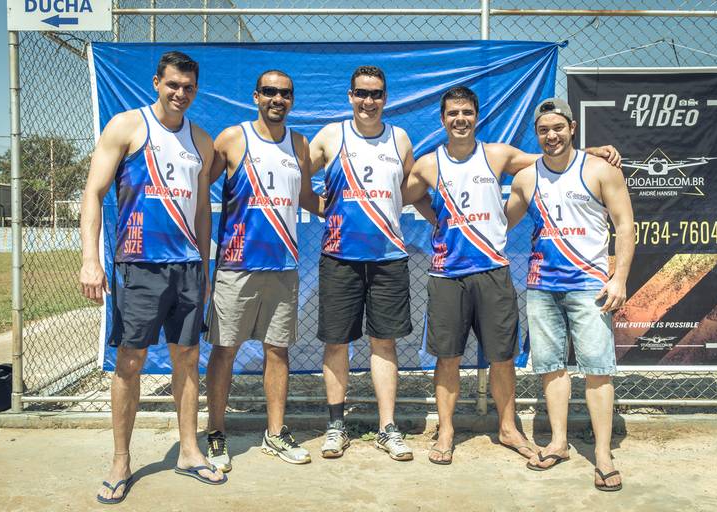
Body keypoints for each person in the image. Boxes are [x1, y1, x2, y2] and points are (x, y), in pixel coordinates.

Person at [401, 87, 620, 465]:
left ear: (476, 116)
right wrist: (435, 217)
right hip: (447, 274)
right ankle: (447, 431)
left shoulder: (497, 154)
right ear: (442, 119)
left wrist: (592, 152)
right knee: (448, 358)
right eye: (453, 113)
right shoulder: (428, 164)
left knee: (502, 357)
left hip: (493, 271)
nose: (460, 119)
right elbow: (407, 195)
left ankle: (507, 428)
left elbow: (550, 156)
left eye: (467, 112)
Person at [80, 51, 226, 505]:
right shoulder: (127, 126)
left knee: (188, 358)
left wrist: (204, 266)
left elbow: (201, 210)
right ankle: (120, 461)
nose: (180, 93)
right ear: (156, 83)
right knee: (129, 363)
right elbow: (93, 193)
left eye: (188, 87)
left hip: (187, 268)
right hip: (138, 265)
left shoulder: (201, 140)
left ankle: (189, 451)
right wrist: (90, 259)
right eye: (173, 85)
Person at [505, 98, 634, 491]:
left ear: (572, 128)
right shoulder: (526, 178)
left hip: (589, 286)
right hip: (542, 285)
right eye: (544, 130)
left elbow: (625, 225)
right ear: (536, 134)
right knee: (551, 367)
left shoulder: (600, 169)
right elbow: (500, 222)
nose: (552, 136)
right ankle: (558, 443)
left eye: (558, 128)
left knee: (597, 369)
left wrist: (619, 279)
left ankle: (603, 455)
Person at [307, 65, 434, 461]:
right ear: (350, 96)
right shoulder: (331, 136)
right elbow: (293, 176)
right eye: (361, 93)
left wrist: (442, 223)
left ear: (385, 97)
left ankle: (387, 427)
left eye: (376, 93)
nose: (368, 100)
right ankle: (336, 425)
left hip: (388, 259)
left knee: (385, 342)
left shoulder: (400, 138)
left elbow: (412, 190)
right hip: (339, 257)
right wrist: (323, 208)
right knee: (336, 342)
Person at [204, 69, 319, 470]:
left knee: (277, 350)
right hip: (236, 266)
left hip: (283, 264)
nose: (277, 99)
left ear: (292, 100)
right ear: (256, 96)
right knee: (224, 350)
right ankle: (216, 433)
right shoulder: (232, 138)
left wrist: (348, 207)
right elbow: (199, 188)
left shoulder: (299, 144)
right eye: (269, 91)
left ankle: (275, 433)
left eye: (284, 93)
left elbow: (307, 197)